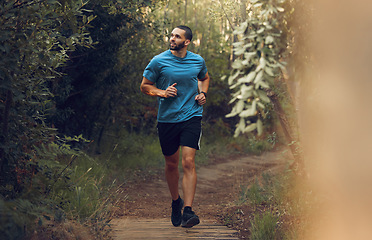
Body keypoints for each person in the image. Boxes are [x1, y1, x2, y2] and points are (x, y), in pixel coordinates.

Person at [140, 25, 210, 228]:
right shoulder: (158, 61)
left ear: (186, 42)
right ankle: (175, 201)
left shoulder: (197, 60)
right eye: (171, 35)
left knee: (188, 162)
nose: (172, 38)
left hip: (192, 116)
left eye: (177, 36)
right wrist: (161, 92)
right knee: (171, 164)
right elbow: (145, 86)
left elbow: (204, 78)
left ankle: (188, 211)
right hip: (167, 119)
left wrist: (203, 94)